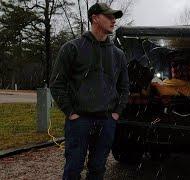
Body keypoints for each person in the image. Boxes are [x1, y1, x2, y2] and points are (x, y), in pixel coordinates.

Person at [49, 3, 129, 180]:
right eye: (108, 16)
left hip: (106, 121)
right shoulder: (72, 48)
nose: (113, 20)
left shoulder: (118, 54)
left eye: (114, 17)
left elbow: (124, 88)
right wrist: (70, 113)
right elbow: (56, 84)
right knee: (73, 169)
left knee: (98, 170)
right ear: (95, 18)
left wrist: (116, 114)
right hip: (79, 121)